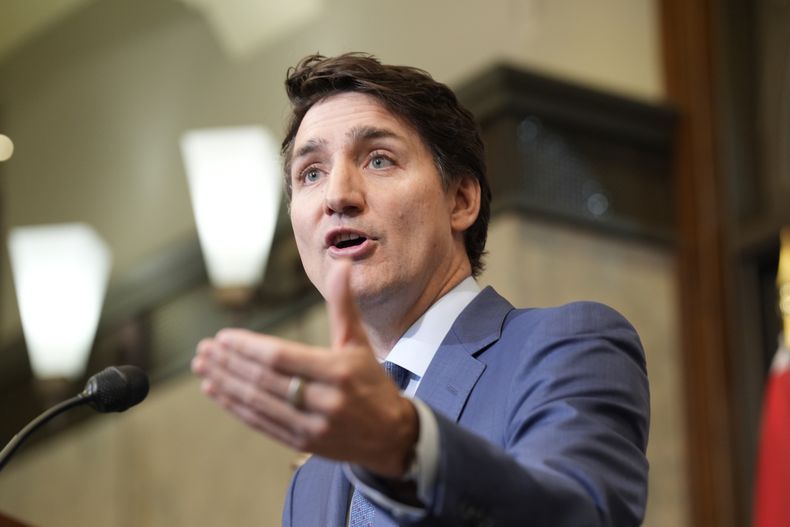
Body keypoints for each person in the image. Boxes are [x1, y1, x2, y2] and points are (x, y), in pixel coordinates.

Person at [192, 52, 649, 527]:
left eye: (378, 159)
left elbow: (579, 515)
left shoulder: (566, 345)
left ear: (461, 200)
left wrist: (407, 447)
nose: (337, 195)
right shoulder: (313, 478)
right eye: (311, 172)